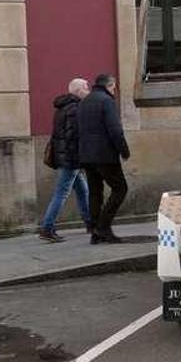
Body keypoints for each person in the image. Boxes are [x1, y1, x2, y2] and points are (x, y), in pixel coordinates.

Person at [78, 74, 131, 244]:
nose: (114, 90)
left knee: (95, 193)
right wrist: (124, 150)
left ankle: (95, 231)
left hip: (87, 155)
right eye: (114, 87)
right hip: (105, 155)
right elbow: (115, 129)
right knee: (120, 188)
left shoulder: (84, 101)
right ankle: (103, 226)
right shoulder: (107, 101)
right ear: (109, 85)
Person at [38, 78, 93, 243]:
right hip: (71, 159)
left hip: (65, 157)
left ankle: (91, 222)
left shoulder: (62, 108)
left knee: (83, 190)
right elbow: (74, 137)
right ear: (77, 91)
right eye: (85, 87)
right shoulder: (75, 109)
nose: (88, 90)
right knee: (61, 193)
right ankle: (47, 228)